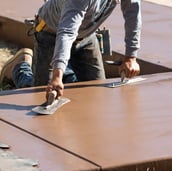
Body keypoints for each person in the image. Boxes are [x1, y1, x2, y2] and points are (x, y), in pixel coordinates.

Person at [0, 0, 141, 99]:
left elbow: (132, 14)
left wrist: (131, 57)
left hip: (85, 36)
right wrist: (56, 77)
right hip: (51, 34)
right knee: (42, 92)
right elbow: (66, 33)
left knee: (96, 93)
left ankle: (64, 73)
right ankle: (19, 68)